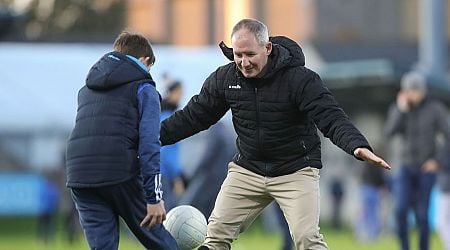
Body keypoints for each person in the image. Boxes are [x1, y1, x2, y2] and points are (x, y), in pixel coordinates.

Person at [159, 18, 390, 250]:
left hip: (295, 170)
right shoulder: (226, 79)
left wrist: (357, 145)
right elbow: (193, 116)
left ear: (267, 48)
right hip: (248, 170)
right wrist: (152, 137)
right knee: (215, 237)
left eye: (250, 54)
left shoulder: (300, 79)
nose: (244, 62)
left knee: (307, 239)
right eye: (238, 54)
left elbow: (331, 116)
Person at [65, 31, 179, 250]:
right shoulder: (144, 88)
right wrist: (154, 198)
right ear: (145, 60)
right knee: (161, 242)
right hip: (119, 172)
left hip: (80, 176)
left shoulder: (87, 90)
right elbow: (149, 143)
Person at [385, 71, 449, 250]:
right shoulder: (399, 109)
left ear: (422, 91)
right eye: (409, 90)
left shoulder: (435, 109)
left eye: (415, 90)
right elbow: (389, 132)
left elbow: (447, 137)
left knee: (422, 215)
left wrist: (437, 161)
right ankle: (404, 247)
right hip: (405, 167)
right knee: (400, 210)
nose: (412, 94)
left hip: (426, 168)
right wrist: (401, 110)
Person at [160, 80, 186, 210]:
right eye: (179, 92)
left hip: (153, 172)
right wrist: (176, 176)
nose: (181, 96)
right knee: (167, 213)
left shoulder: (158, 115)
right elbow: (167, 152)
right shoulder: (168, 119)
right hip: (163, 174)